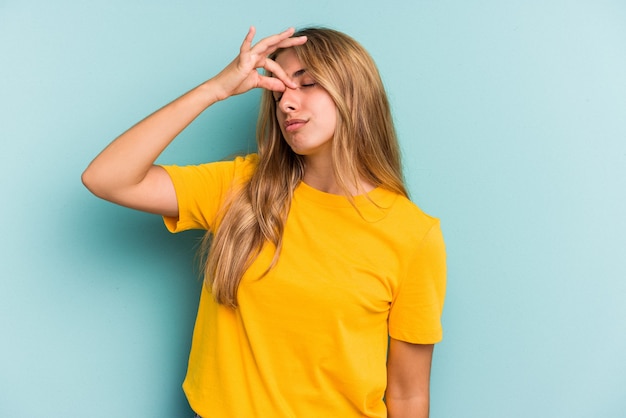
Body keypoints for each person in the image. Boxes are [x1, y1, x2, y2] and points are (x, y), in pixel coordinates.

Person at [82, 26, 446, 418]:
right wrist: (215, 89)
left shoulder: (413, 235)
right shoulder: (241, 188)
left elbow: (409, 396)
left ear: (355, 93)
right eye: (278, 92)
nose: (286, 102)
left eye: (306, 84)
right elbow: (106, 178)